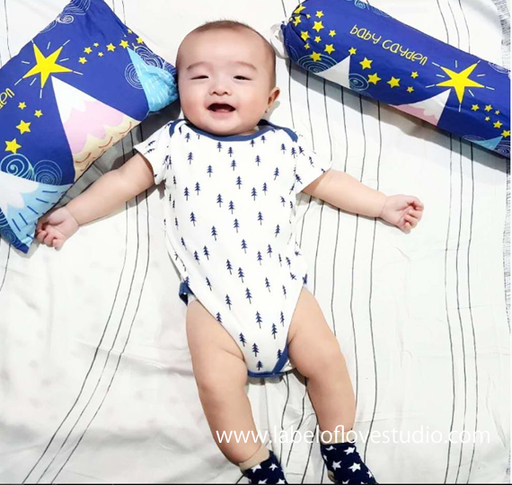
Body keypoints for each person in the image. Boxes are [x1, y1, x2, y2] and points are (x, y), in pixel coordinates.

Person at [36, 20, 424, 484]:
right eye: (199, 76)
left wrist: (382, 204)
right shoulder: (174, 141)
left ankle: (341, 447)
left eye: (240, 77)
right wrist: (74, 214)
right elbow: (122, 181)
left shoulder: (283, 145)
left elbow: (329, 183)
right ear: (179, 91)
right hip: (212, 300)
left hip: (284, 292)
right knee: (216, 386)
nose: (219, 86)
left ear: (270, 98)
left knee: (328, 362)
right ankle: (256, 463)